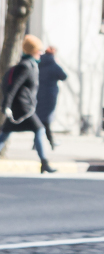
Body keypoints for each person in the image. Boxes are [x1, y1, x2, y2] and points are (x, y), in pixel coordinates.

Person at [1, 35, 56, 173]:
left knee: (5, 134)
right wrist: (6, 106)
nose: (41, 53)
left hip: (21, 107)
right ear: (32, 51)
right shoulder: (25, 66)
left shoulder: (30, 65)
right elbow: (13, 87)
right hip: (22, 108)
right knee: (39, 129)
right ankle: (44, 162)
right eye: (39, 50)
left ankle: (44, 163)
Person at [36, 45, 67, 149]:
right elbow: (63, 76)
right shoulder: (53, 64)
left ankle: (40, 142)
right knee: (46, 119)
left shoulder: (39, 62)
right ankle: (49, 142)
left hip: (39, 93)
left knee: (40, 118)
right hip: (50, 95)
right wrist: (58, 63)